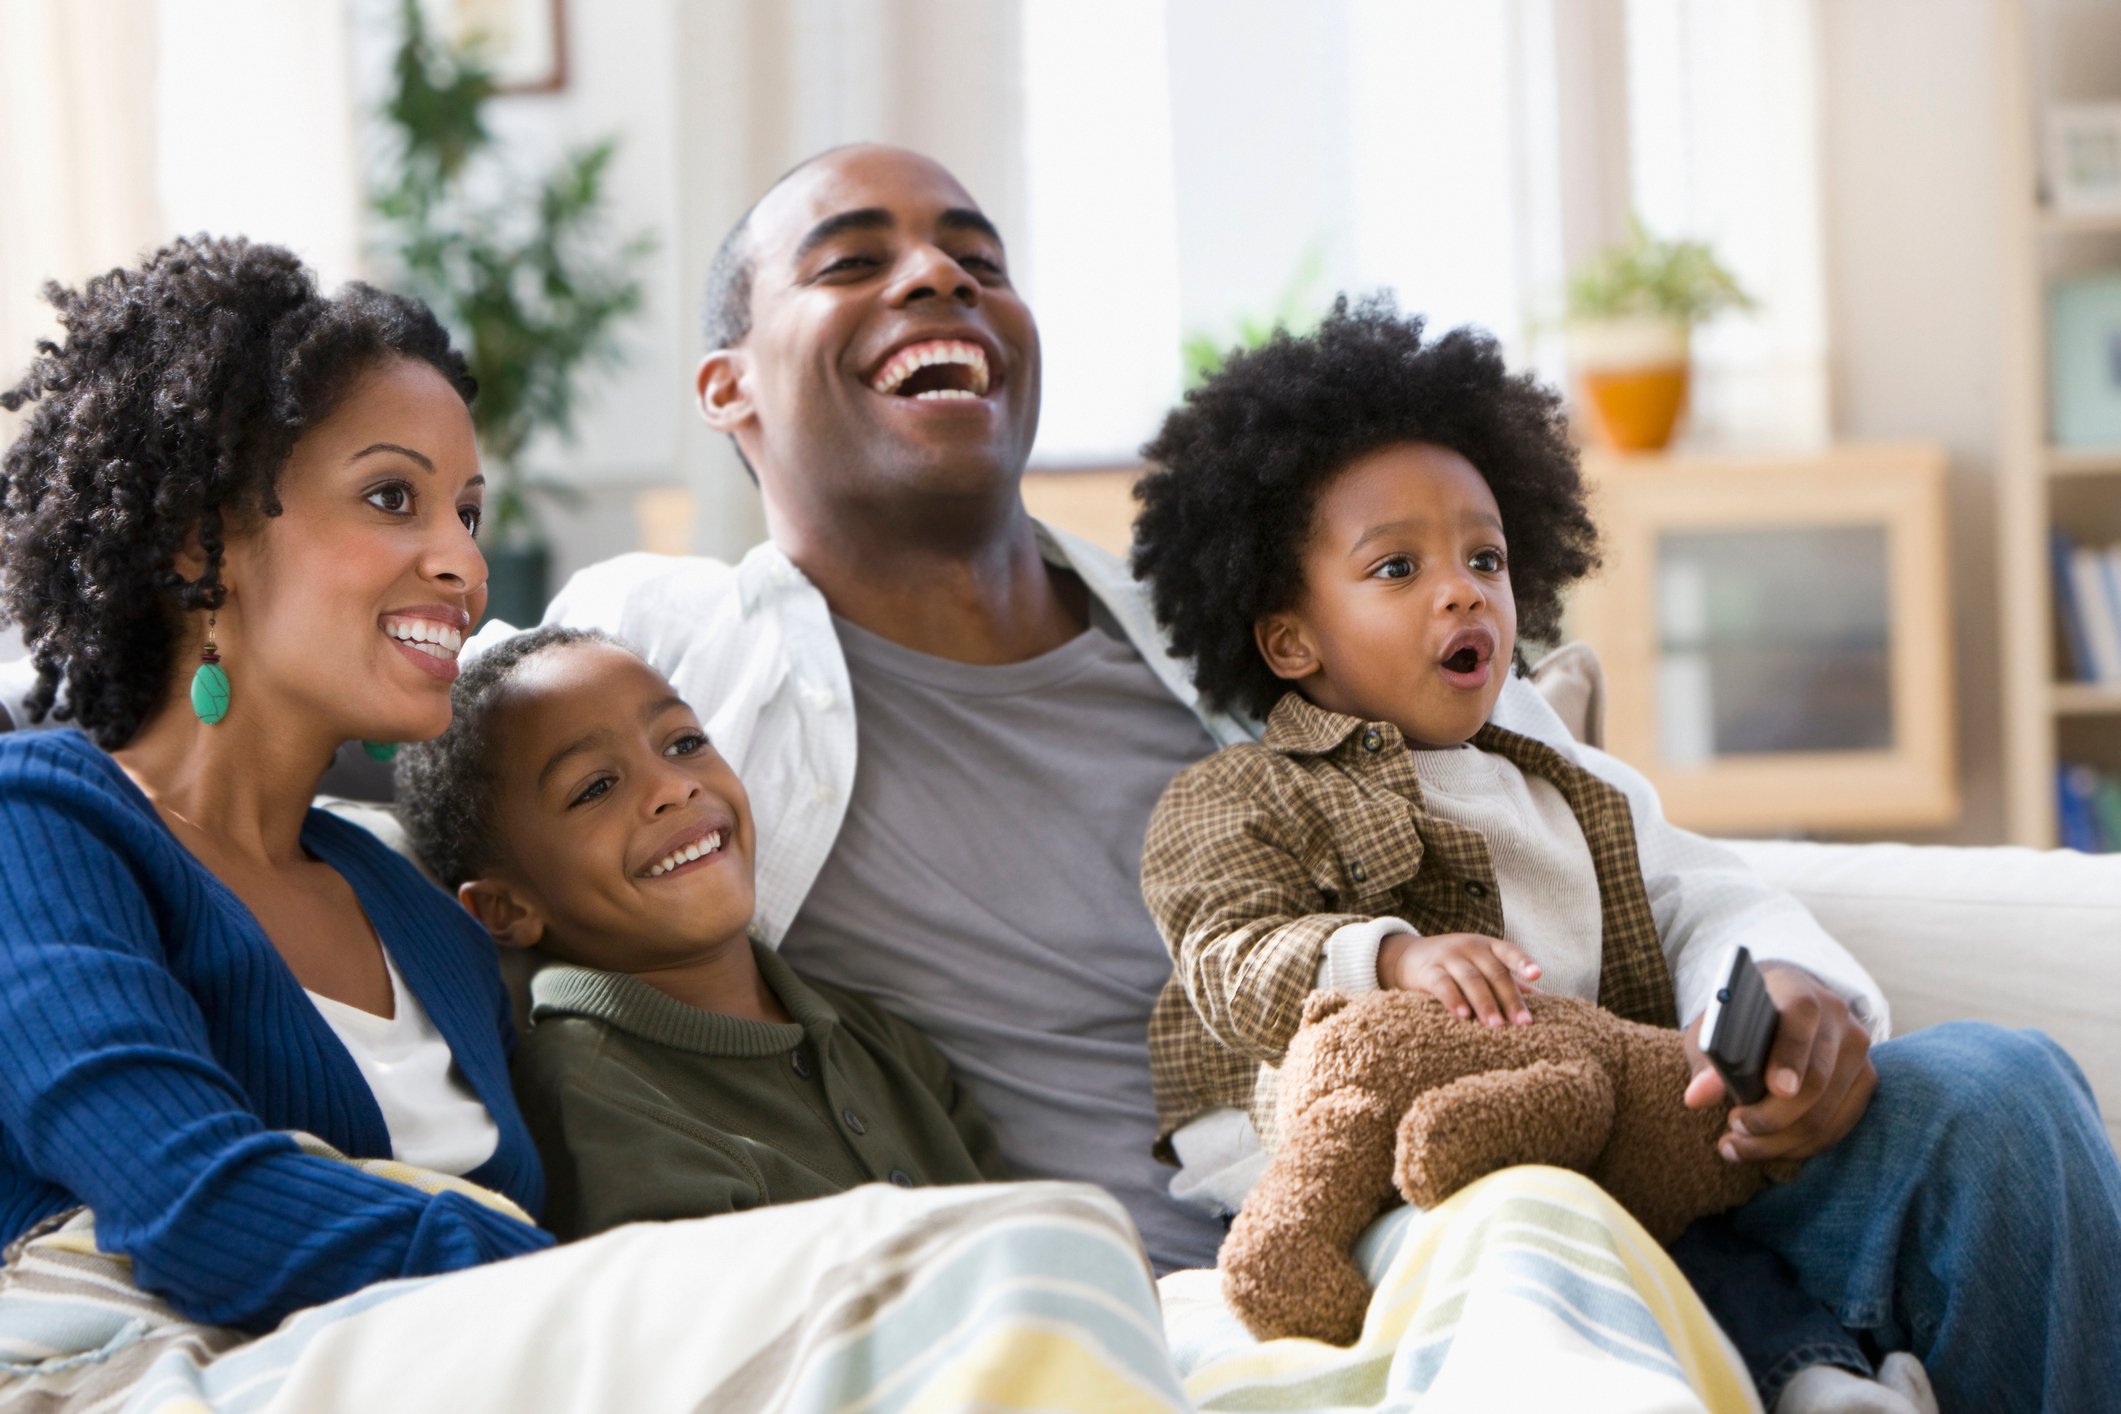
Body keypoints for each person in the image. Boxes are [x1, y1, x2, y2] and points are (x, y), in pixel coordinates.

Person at [546, 143, 2121, 1413]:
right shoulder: (677, 654)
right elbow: (486, 773)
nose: (937, 274)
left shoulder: (1247, 627)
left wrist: (1783, 989)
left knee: (1998, 1095)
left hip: (1589, 1131)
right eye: (851, 260)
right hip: (1289, 1252)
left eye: (975, 252)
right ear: (729, 389)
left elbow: (1630, 840)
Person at [0, 236, 1177, 1411]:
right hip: (145, 1369)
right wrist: (582, 1285)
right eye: (391, 497)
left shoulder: (415, 904)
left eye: (467, 511)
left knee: (1033, 1261)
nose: (460, 562)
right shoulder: (46, 822)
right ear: (204, 541)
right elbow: (192, 1199)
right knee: (1023, 1254)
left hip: (463, 1363)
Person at [1128, 296, 1933, 1413]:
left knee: (1694, 1243)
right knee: (1535, 1239)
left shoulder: (1565, 786)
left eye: (1485, 556)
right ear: (1290, 637)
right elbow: (1228, 952)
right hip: (1363, 1164)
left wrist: (1763, 1004)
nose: (1462, 586)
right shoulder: (1240, 794)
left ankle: (1816, 1383)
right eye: (1396, 569)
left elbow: (1698, 898)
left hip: (1579, 1119)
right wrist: (1389, 958)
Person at [394, 626, 1006, 1238]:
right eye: (596, 787)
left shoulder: (877, 1040)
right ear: (505, 910)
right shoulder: (594, 1097)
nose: (673, 786)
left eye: (684, 743)